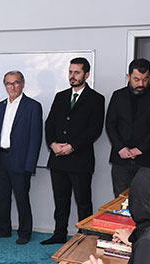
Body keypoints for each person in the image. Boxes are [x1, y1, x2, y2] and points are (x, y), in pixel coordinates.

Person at [42, 57, 105, 245]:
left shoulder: (96, 99)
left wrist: (72, 146)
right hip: (58, 159)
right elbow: (49, 123)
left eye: (77, 72)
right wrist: (52, 144)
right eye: (70, 72)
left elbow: (94, 129)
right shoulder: (60, 96)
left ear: (86, 74)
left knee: (83, 202)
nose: (72, 76)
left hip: (80, 160)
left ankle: (84, 237)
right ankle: (59, 233)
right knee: (60, 201)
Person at [0, 70, 43, 245]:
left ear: (23, 84)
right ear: (5, 86)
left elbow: (35, 138)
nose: (12, 87)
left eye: (16, 82)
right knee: (1, 197)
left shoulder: (33, 106)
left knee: (22, 198)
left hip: (21, 160)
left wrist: (30, 164)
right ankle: (3, 229)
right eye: (9, 83)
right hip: (2, 157)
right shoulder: (1, 105)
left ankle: (25, 233)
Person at [105, 58, 150, 196]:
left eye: (145, 79)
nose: (141, 84)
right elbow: (110, 124)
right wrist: (120, 147)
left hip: (148, 160)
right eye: (136, 79)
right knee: (120, 200)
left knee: (146, 200)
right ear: (128, 76)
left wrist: (140, 149)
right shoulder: (118, 95)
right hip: (121, 160)